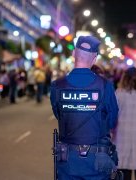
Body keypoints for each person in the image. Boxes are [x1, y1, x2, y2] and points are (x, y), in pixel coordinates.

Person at [50, 36, 119, 180]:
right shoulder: (105, 85)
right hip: (97, 160)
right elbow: (112, 121)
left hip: (67, 160)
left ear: (74, 53)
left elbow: (59, 115)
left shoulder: (58, 85)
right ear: (94, 59)